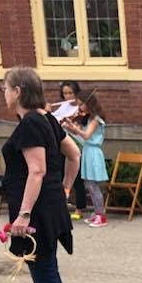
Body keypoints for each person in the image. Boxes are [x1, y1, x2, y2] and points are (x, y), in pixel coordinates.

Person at [1, 67, 80, 283]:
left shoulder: (32, 123)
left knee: (45, 273)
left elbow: (37, 170)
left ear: (18, 91)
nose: (4, 93)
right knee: (44, 271)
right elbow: (74, 154)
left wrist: (23, 214)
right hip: (48, 204)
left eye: (5, 88)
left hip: (38, 210)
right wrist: (65, 188)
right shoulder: (45, 118)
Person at [62, 91, 109, 228]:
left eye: (81, 104)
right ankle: (97, 212)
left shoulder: (95, 120)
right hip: (88, 151)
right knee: (89, 185)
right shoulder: (89, 119)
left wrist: (75, 129)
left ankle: (101, 215)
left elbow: (87, 136)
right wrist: (70, 128)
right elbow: (82, 138)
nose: (79, 107)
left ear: (89, 103)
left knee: (93, 186)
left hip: (93, 153)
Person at [57, 81, 88, 214]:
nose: (68, 96)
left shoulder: (81, 109)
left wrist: (72, 125)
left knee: (77, 178)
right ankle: (61, 204)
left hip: (77, 145)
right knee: (61, 175)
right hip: (62, 144)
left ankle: (80, 207)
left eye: (70, 93)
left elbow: (84, 129)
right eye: (65, 93)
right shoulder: (62, 108)